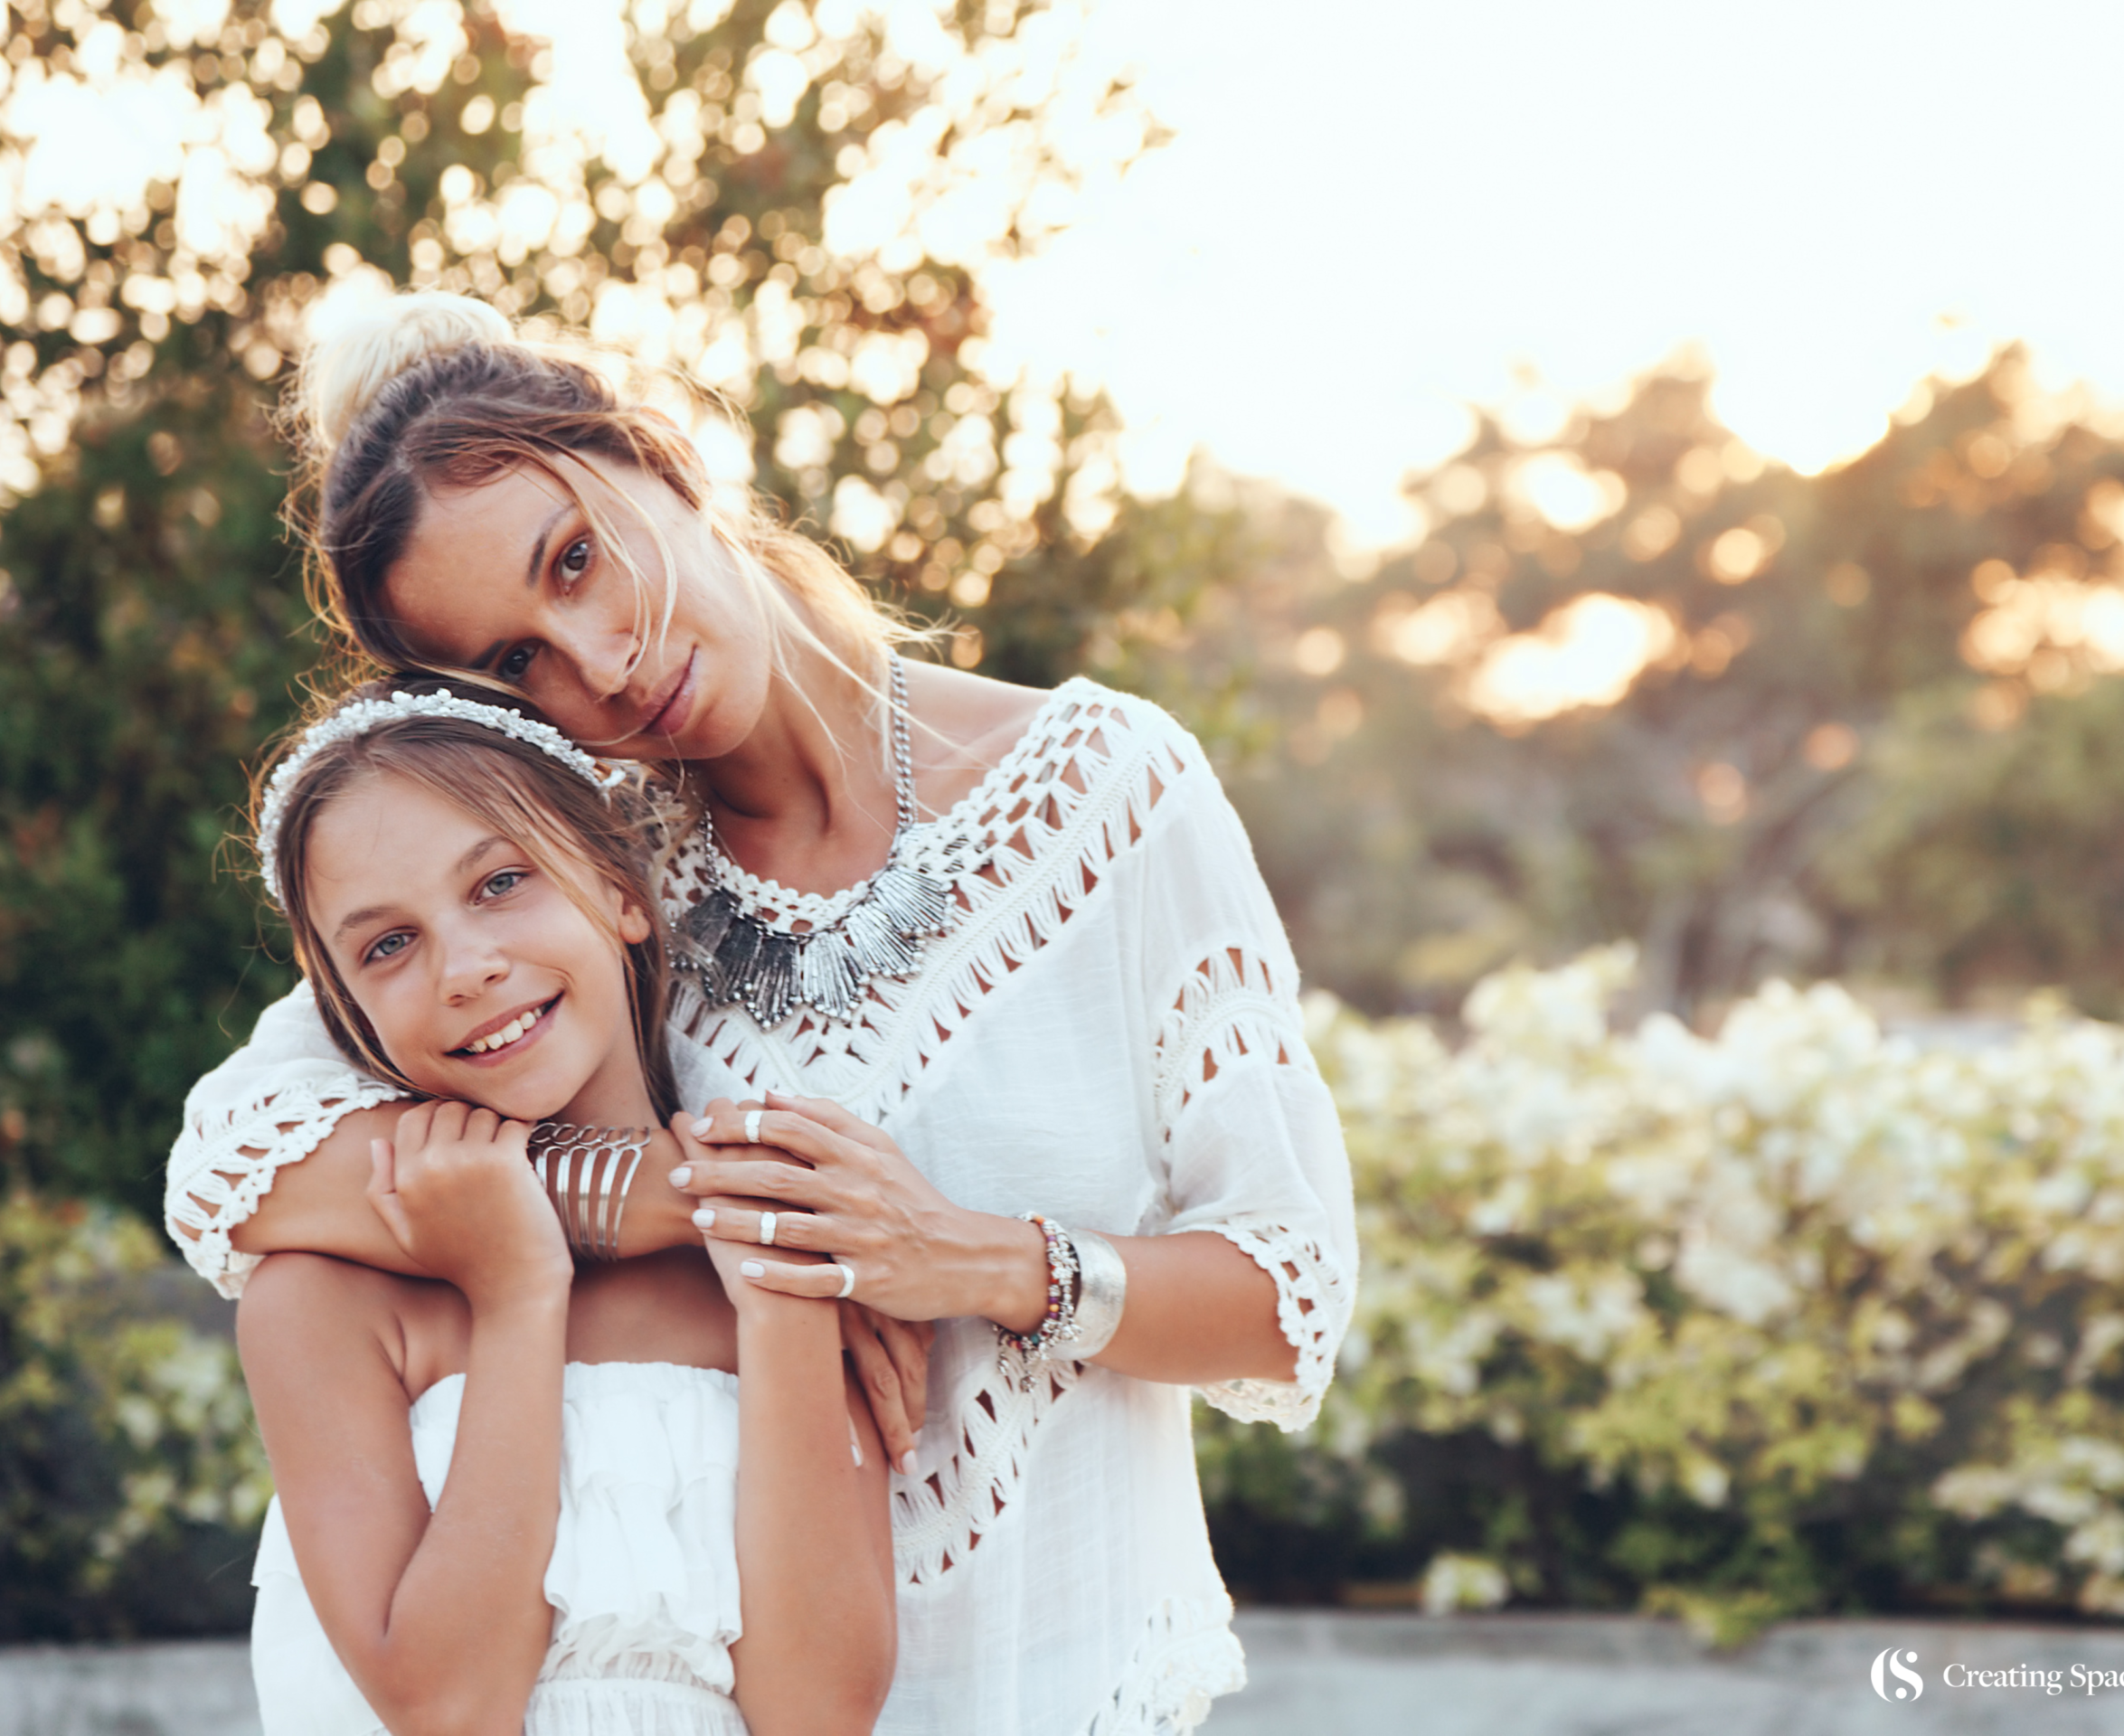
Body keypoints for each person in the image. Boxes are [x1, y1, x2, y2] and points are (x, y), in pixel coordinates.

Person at [167, 291, 1357, 1734]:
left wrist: (968, 1258)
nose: (600, 660)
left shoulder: (1107, 792)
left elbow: (1289, 1297)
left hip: (1053, 1674)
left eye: (576, 560)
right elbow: (236, 1162)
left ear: (661, 457)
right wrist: (696, 1205)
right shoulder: (570, 860)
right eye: (519, 663)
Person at [234, 676, 894, 1733]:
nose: (465, 969)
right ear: (349, 1014)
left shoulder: (762, 1259)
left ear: (621, 891)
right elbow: (449, 1708)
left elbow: (818, 1713)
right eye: (387, 946)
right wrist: (515, 1292)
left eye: (499, 883)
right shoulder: (323, 1299)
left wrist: (783, 1309)